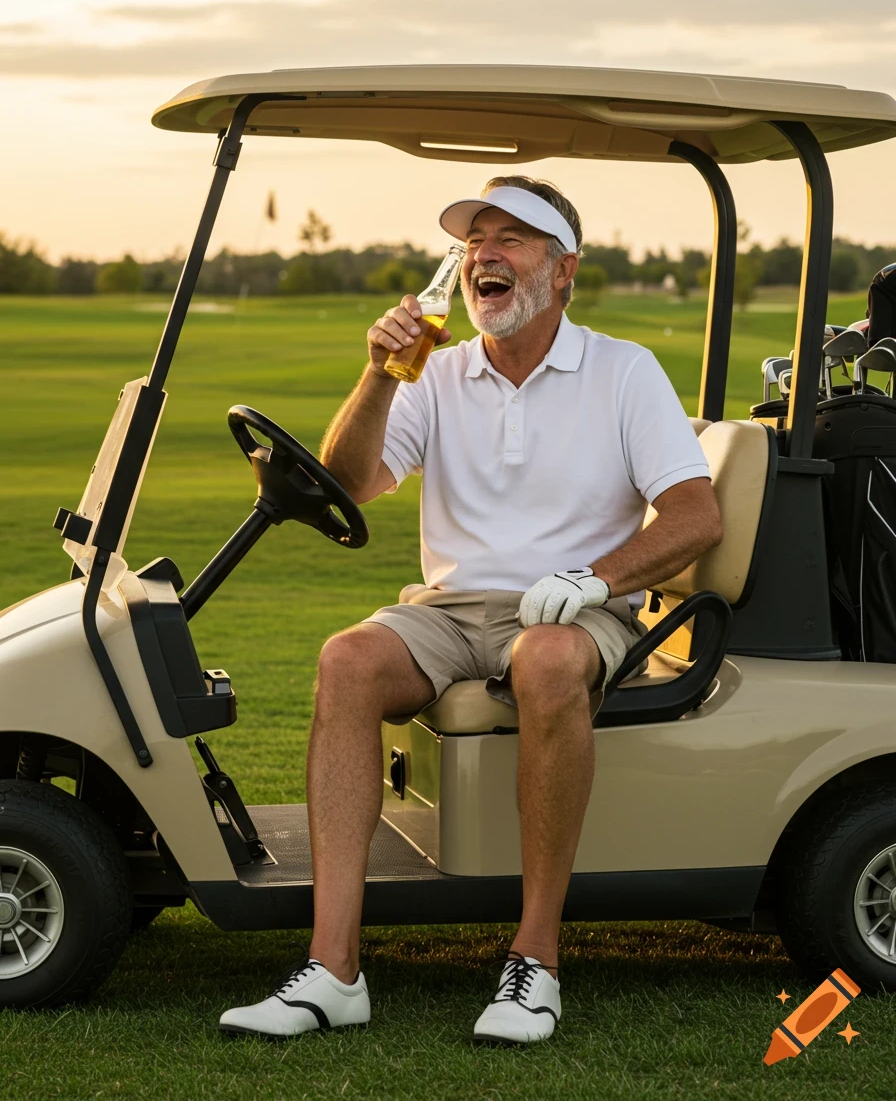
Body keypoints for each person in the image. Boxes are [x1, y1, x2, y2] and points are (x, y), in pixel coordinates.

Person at [220, 175, 722, 1045]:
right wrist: (379, 376)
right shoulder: (436, 372)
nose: (485, 253)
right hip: (454, 607)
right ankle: (333, 969)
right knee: (347, 659)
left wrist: (596, 578)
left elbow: (694, 516)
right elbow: (352, 481)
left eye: (512, 239)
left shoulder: (622, 371)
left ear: (564, 270)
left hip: (578, 607)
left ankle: (535, 962)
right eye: (475, 240)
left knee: (548, 659)